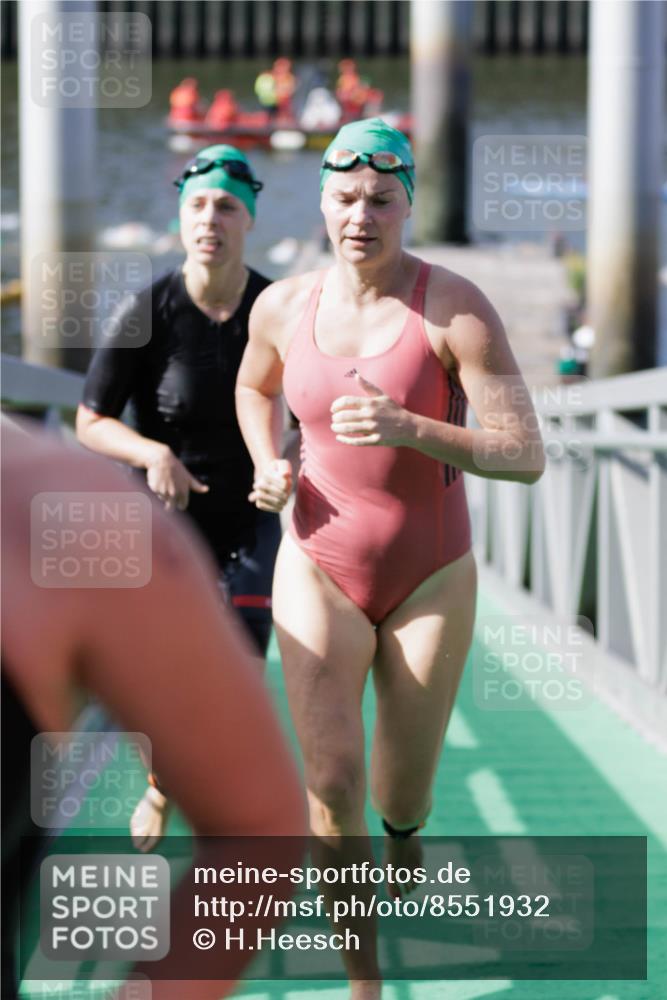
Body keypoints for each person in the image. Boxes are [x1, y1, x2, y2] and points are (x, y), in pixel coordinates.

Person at [236, 118, 545, 999]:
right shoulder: (282, 306)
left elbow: (524, 453)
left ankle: (406, 834)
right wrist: (267, 460)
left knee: (397, 795)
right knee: (330, 779)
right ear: (320, 202)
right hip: (315, 561)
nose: (359, 215)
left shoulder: (454, 309)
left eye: (379, 198)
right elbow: (253, 385)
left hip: (430, 578)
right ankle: (363, 977)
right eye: (342, 198)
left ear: (407, 202)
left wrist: (414, 428)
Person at [1, 418, 306, 1000]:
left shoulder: (62, 505)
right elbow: (92, 416)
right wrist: (152, 452)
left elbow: (257, 829)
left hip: (242, 541)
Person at [76, 144, 285, 850]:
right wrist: (151, 451)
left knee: (242, 667)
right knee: (161, 677)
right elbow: (90, 420)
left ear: (249, 219)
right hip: (164, 521)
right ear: (179, 218)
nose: (210, 219)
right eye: (196, 205)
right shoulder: (149, 309)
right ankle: (161, 785)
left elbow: (310, 408)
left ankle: (211, 802)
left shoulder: (275, 307)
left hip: (254, 518)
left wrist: (285, 460)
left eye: (226, 206)